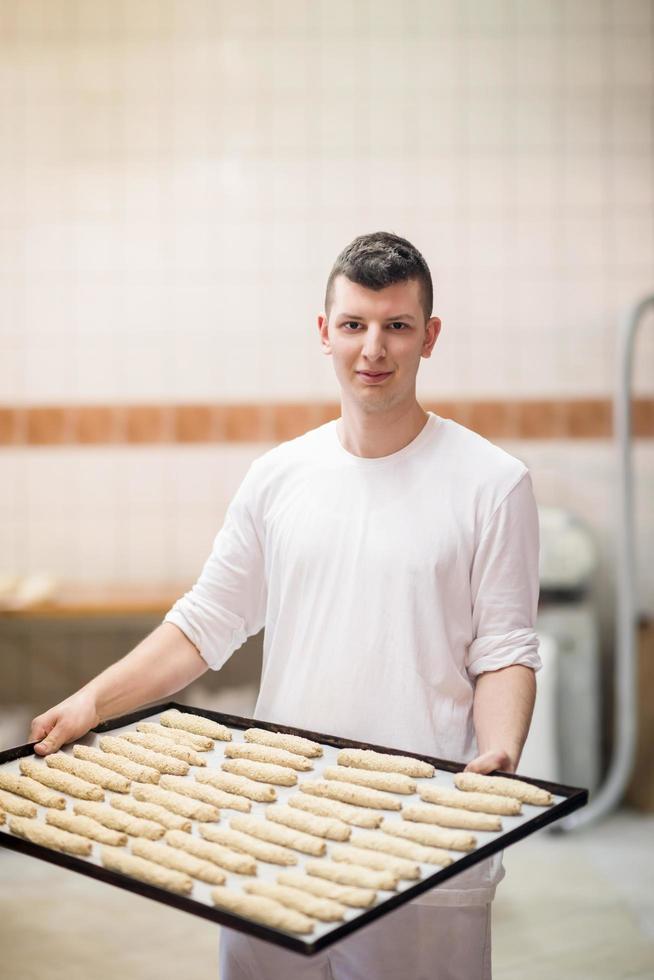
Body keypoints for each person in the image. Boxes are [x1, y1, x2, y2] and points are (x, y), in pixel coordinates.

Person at [30, 232, 541, 980]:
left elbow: (504, 648)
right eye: (355, 324)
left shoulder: (491, 482)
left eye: (397, 325)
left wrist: (499, 755)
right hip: (274, 830)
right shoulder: (279, 477)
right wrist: (93, 703)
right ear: (324, 332)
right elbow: (207, 623)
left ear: (429, 337)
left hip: (423, 838)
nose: (375, 347)